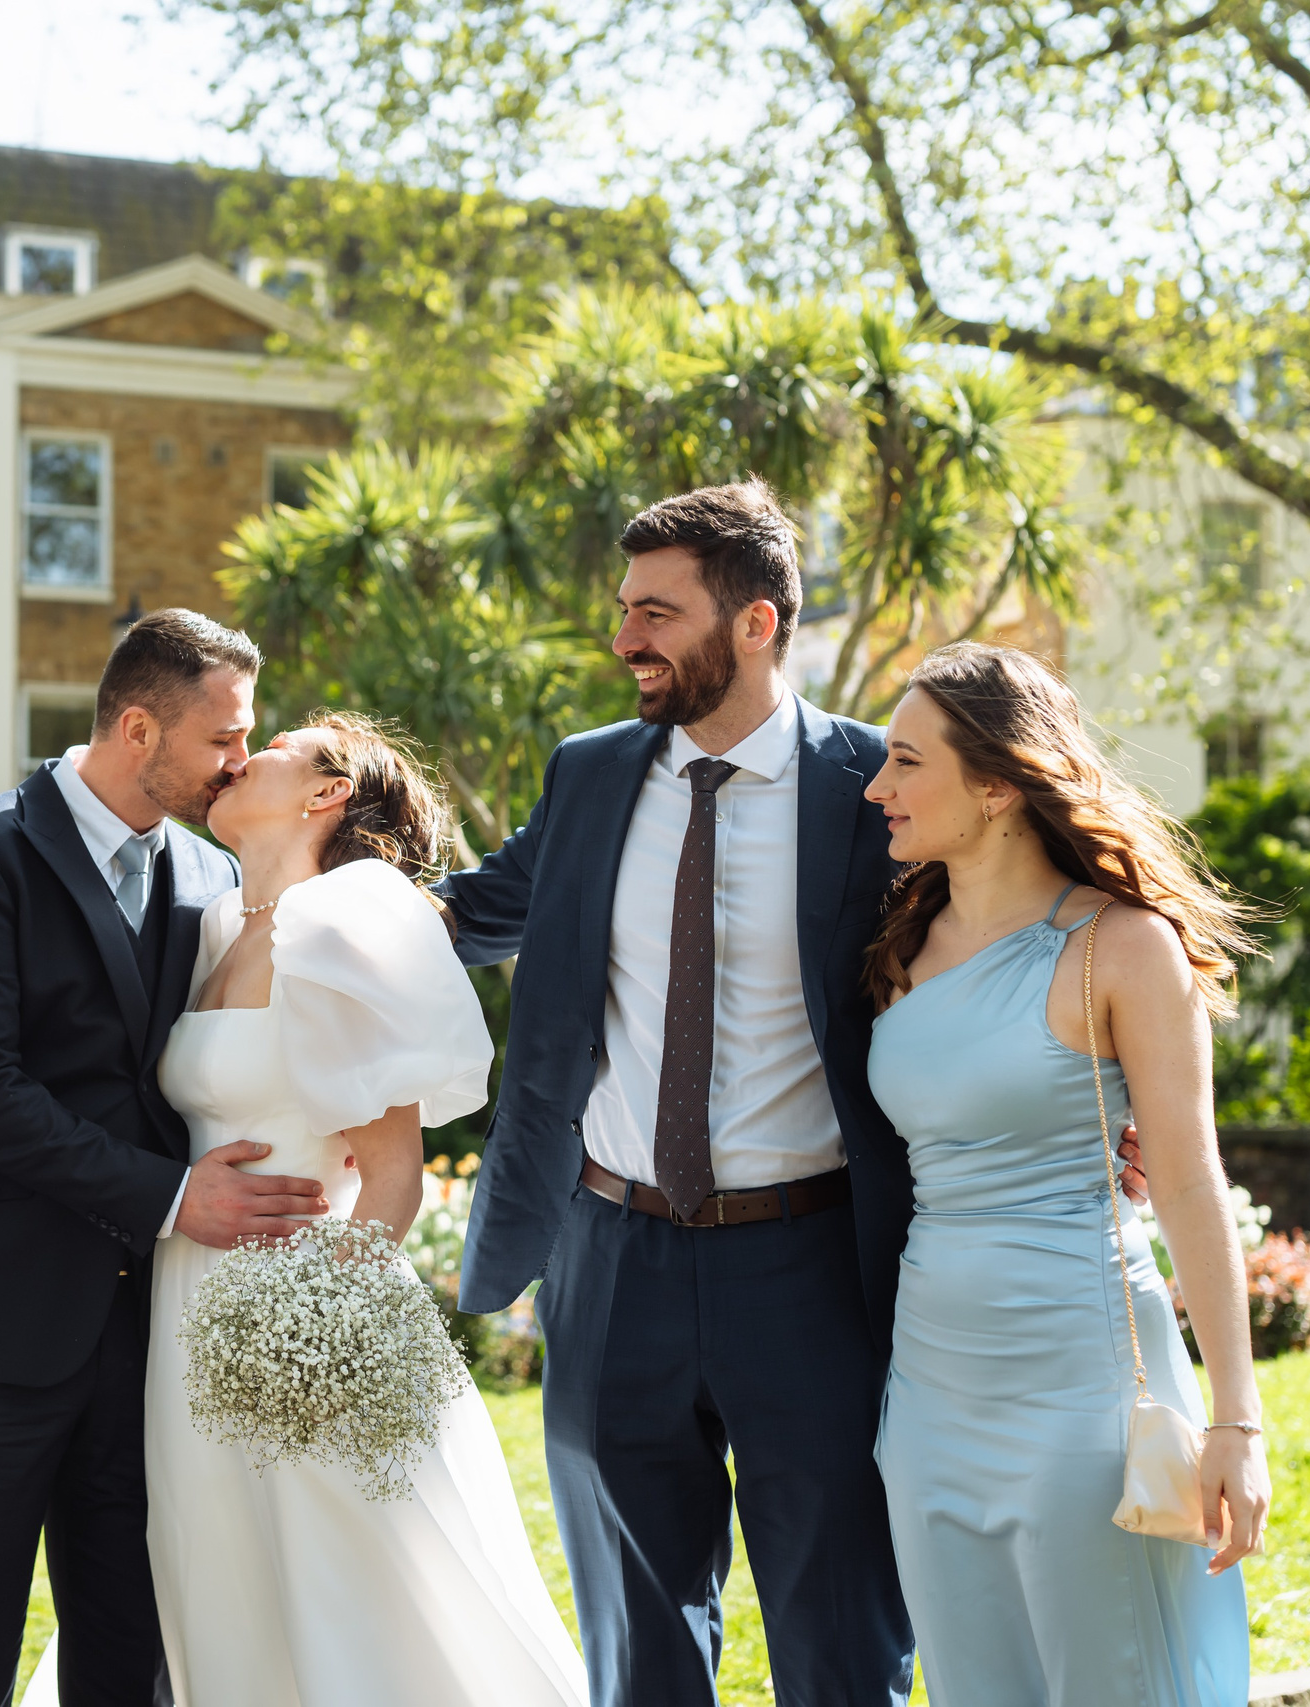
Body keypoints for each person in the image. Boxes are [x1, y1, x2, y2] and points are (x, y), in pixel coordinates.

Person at [432, 482, 920, 1704]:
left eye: (656, 612)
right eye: (622, 609)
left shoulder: (876, 787)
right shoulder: (591, 773)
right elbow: (481, 909)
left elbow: (1005, 934)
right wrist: (292, 904)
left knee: (840, 1633)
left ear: (755, 623)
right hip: (609, 1260)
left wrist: (1109, 1100)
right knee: (638, 1646)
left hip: (812, 1267)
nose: (624, 640)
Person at [0, 608, 327, 1707]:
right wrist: (175, 1198)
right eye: (223, 738)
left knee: (131, 1649)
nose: (240, 761)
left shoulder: (208, 878)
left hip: (149, 1337)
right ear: (136, 727)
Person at [131, 710, 591, 1705]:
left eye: (274, 748)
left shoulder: (339, 924)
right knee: (220, 1572)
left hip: (301, 1311)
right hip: (185, 1292)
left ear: (325, 792)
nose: (239, 758)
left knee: (355, 1589)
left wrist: (316, 1328)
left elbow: (393, 1174)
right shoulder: (214, 923)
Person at [862, 641, 1264, 1704]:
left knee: (1111, 1678)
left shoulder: (1123, 948)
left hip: (1081, 1389)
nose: (876, 786)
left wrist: (1236, 1422)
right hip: (930, 1391)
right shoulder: (899, 947)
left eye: (905, 762)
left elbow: (1186, 1182)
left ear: (996, 784)